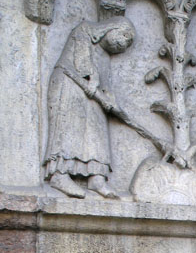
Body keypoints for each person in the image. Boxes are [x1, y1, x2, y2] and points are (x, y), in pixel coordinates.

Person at [43, 17, 135, 198]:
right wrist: (92, 79)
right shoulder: (84, 30)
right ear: (112, 27)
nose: (122, 44)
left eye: (127, 43)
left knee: (97, 132)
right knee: (70, 127)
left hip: (92, 94)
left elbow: (106, 83)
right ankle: (59, 175)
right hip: (69, 85)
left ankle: (97, 179)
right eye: (123, 36)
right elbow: (83, 64)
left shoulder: (105, 56)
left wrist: (110, 100)